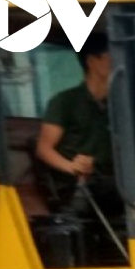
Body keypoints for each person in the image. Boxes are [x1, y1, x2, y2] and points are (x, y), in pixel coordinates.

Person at [36, 34, 116, 215]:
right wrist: (73, 167)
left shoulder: (118, 106)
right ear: (91, 61)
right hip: (78, 187)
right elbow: (43, 149)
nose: (119, 63)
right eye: (111, 56)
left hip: (110, 181)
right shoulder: (65, 102)